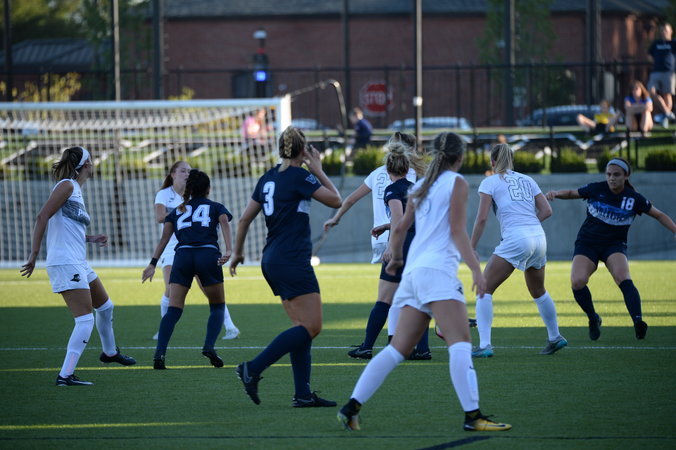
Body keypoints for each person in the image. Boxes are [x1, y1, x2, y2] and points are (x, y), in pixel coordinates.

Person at [337, 132, 511, 433]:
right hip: (437, 272)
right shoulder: (455, 182)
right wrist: (476, 270)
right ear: (460, 157)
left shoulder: (420, 185)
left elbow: (400, 226)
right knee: (461, 343)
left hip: (414, 273)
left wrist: (396, 257)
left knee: (397, 349)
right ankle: (473, 416)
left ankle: (351, 407)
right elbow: (457, 231)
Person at [229, 126, 342, 407]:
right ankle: (252, 368)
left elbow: (243, 220)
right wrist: (318, 169)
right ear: (303, 150)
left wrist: (238, 253)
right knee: (313, 326)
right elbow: (336, 200)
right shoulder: (300, 176)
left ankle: (302, 394)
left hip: (272, 259)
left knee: (301, 327)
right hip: (291, 259)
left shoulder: (268, 177)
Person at [20, 146, 136, 386]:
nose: (93, 165)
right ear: (85, 165)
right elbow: (42, 216)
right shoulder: (67, 185)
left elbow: (67, 228)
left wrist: (91, 238)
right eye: (91, 161)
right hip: (66, 262)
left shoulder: (75, 189)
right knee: (84, 321)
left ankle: (110, 353)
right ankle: (65, 375)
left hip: (78, 261)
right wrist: (34, 254)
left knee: (105, 307)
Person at [323, 132, 431, 360]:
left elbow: (355, 200)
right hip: (414, 240)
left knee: (385, 297)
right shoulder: (415, 180)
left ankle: (371, 345)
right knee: (412, 295)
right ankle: (417, 346)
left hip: (395, 241)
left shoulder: (386, 182)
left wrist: (336, 218)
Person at [545, 157, 676, 340]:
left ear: (626, 176)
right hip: (588, 243)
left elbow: (659, 215)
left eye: (616, 175)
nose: (612, 178)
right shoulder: (596, 188)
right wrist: (556, 193)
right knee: (577, 281)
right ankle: (593, 318)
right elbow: (572, 193)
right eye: (609, 174)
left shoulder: (634, 199)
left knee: (623, 278)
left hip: (614, 245)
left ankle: (638, 321)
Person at [469, 143, 566, 358]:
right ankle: (555, 336)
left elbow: (482, 218)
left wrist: (471, 245)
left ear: (492, 162)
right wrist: (529, 225)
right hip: (539, 237)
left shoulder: (490, 181)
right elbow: (547, 210)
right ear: (511, 160)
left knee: (484, 289)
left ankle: (484, 345)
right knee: (539, 291)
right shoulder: (527, 179)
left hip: (517, 238)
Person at [143, 169, 233, 369]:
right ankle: (209, 347)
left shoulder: (177, 210)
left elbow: (164, 239)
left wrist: (152, 263)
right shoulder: (215, 206)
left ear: (189, 189)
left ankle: (159, 354)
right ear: (208, 188)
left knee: (174, 309)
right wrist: (228, 249)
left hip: (182, 257)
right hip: (207, 255)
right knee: (217, 306)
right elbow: (224, 221)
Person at [154, 161, 239, 340]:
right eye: (182, 171)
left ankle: (230, 326)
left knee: (209, 289)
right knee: (170, 289)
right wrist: (181, 212)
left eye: (188, 171)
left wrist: (186, 211)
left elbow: (222, 220)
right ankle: (163, 329)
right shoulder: (164, 194)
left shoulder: (195, 195)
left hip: (192, 246)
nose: (186, 174)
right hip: (173, 247)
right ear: (173, 174)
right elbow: (160, 217)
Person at [647, 23, 676, 125]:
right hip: (656, 71)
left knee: (666, 94)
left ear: (671, 31)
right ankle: (667, 113)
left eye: (666, 30)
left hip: (669, 72)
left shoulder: (673, 43)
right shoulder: (656, 43)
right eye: (663, 30)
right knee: (651, 91)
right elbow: (649, 55)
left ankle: (665, 120)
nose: (664, 32)